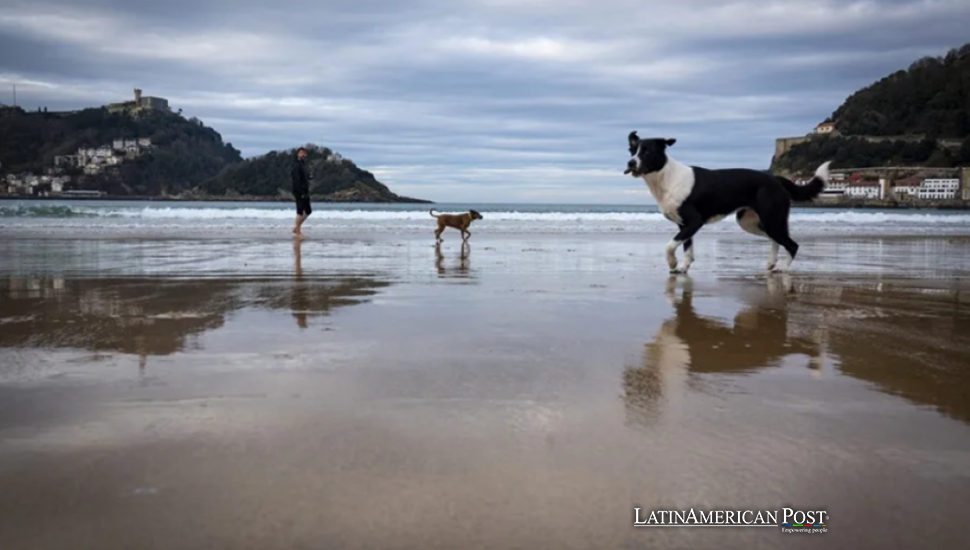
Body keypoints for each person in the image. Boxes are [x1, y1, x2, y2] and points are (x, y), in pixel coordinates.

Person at [290, 147, 312, 238]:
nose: (303, 154)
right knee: (300, 212)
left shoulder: (303, 164)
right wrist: (300, 192)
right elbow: (296, 180)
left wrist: (309, 177)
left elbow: (304, 177)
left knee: (308, 211)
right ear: (298, 154)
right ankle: (298, 233)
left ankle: (296, 228)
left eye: (304, 153)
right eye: (301, 153)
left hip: (305, 191)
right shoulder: (296, 165)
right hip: (299, 191)